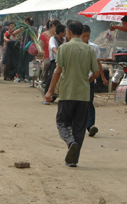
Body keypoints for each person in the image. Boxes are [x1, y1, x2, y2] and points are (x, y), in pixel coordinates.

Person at [45, 21, 99, 168]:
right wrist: (87, 81)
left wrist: (50, 91)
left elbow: (57, 71)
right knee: (79, 128)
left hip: (67, 93)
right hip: (83, 95)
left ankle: (70, 142)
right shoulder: (89, 50)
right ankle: (73, 160)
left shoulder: (64, 48)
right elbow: (96, 72)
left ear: (68, 32)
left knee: (62, 122)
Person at [80, 25, 108, 137]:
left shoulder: (94, 47)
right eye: (84, 36)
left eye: (88, 36)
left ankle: (90, 125)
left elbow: (97, 63)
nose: (86, 38)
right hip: (79, 79)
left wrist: (103, 77)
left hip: (90, 78)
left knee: (89, 102)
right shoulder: (77, 47)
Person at [43, 24, 66, 104]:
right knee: (51, 77)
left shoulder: (64, 40)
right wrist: (60, 55)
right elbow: (53, 48)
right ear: (61, 32)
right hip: (54, 60)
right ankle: (45, 97)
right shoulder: (52, 39)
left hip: (63, 61)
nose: (66, 33)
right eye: (65, 31)